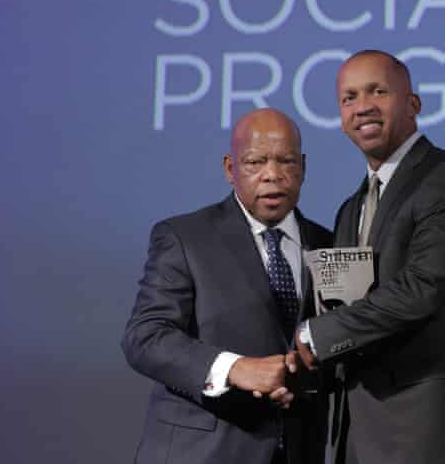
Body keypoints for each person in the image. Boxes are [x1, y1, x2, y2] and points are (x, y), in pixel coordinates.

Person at [294, 50, 445, 464]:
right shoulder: (350, 208)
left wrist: (314, 336)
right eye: (349, 98)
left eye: (378, 91)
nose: (363, 108)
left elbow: (422, 288)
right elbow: (343, 307)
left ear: (413, 104)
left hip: (427, 424)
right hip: (358, 429)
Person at [122, 108, 332, 464]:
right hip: (201, 453)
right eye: (255, 162)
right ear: (230, 169)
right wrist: (235, 368)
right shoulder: (185, 237)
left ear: (304, 167)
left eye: (286, 161)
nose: (272, 176)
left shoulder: (328, 244)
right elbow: (146, 336)